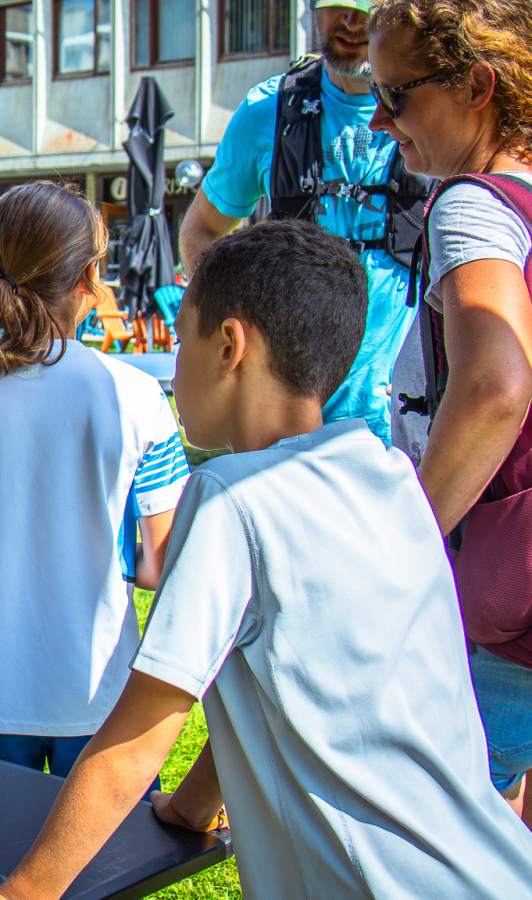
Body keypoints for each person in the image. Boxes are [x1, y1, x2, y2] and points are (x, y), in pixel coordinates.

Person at [0, 219, 532, 900]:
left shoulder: (230, 497)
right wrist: (190, 807)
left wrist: (20, 892)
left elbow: (140, 737)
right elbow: (276, 681)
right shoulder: (388, 473)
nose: (173, 367)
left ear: (229, 346)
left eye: (181, 340)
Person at [0, 183, 185, 781]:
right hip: (98, 688)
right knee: (105, 868)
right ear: (90, 277)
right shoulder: (136, 396)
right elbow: (158, 564)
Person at [368, 0, 532, 825]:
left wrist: (411, 538)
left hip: (509, 591)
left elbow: (495, 386)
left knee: (449, 826)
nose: (380, 116)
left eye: (397, 95)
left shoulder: (474, 204)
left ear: (478, 85)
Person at [179, 0, 429, 445]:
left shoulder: (433, 105)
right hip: (294, 429)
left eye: (365, 8)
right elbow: (200, 229)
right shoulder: (266, 114)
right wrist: (241, 319)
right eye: (338, 7)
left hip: (413, 422)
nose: (351, 23)